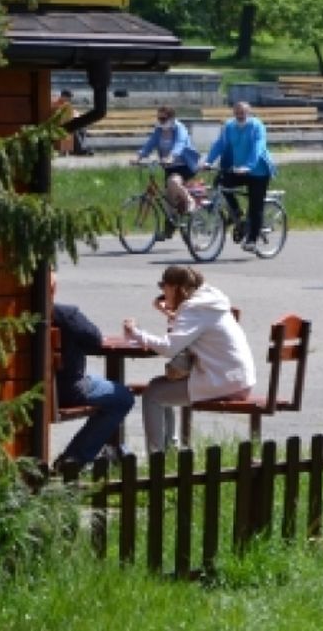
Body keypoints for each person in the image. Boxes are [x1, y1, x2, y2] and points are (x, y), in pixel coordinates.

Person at [123, 266, 255, 453]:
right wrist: (170, 313)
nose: (162, 292)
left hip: (224, 381)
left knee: (152, 395)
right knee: (158, 386)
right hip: (238, 378)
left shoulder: (193, 308)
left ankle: (156, 460)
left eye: (164, 287)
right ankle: (170, 450)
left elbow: (170, 348)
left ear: (175, 288)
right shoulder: (209, 301)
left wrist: (136, 333)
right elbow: (190, 331)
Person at [51, 273, 135, 469]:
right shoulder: (66, 315)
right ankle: (74, 459)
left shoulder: (13, 318)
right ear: (53, 290)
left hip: (25, 388)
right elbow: (94, 340)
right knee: (122, 397)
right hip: (68, 390)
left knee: (96, 378)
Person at [202, 101, 277, 252]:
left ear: (249, 113)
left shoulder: (257, 126)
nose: (240, 116)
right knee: (221, 183)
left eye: (243, 113)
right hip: (239, 170)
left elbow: (258, 146)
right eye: (237, 113)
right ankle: (236, 212)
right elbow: (220, 144)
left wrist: (248, 166)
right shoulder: (230, 127)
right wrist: (208, 161)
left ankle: (252, 240)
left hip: (258, 172)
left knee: (255, 205)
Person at [135, 105, 201, 217]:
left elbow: (179, 144)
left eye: (163, 119)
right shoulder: (159, 130)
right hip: (169, 166)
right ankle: (170, 226)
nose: (160, 121)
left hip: (184, 166)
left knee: (173, 182)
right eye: (159, 118)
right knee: (169, 201)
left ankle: (190, 201)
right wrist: (139, 156)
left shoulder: (180, 129)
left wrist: (171, 156)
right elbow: (150, 143)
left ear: (172, 118)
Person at [51, 90, 91, 156]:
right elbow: (58, 114)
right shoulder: (56, 103)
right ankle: (80, 150)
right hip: (60, 125)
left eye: (70, 97)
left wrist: (78, 115)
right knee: (74, 130)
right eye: (68, 97)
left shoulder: (66, 103)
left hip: (68, 122)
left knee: (83, 129)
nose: (70, 99)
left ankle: (82, 148)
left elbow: (73, 112)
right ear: (63, 96)